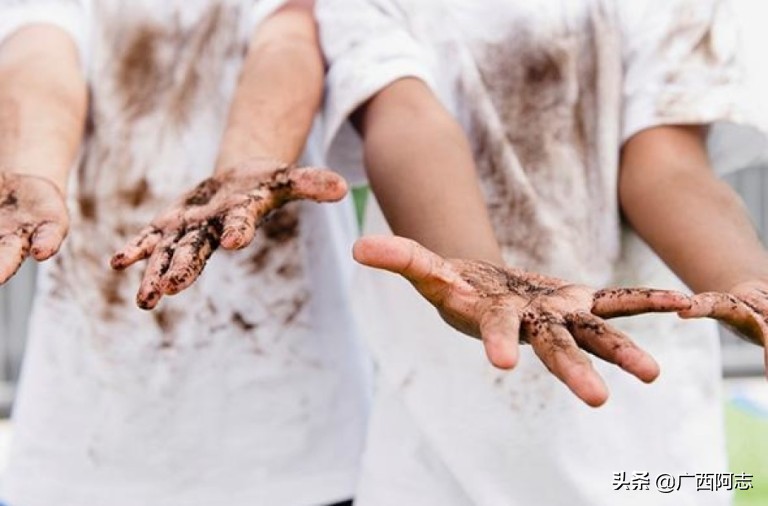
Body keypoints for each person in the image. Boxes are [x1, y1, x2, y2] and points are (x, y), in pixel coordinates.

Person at [316, 0, 768, 504]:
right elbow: (405, 117)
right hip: (440, 448)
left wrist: (745, 281)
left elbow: (667, 161)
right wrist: (477, 277)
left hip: (651, 453)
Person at [0, 1, 368, 505]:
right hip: (83, 432)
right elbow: (38, 48)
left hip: (290, 431)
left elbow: (289, 38)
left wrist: (249, 163)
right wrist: (31, 172)